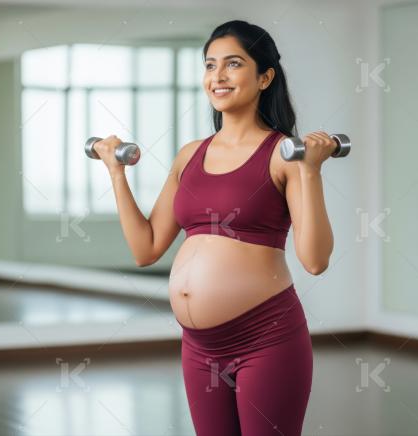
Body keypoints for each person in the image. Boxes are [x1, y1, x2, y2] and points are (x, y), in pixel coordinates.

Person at [93, 19, 336, 436]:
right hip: (199, 347)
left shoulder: (283, 154)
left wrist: (310, 171)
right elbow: (145, 248)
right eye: (210, 65)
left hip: (266, 339)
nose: (218, 76)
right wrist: (116, 174)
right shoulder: (190, 155)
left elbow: (315, 261)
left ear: (265, 77)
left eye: (233, 64)